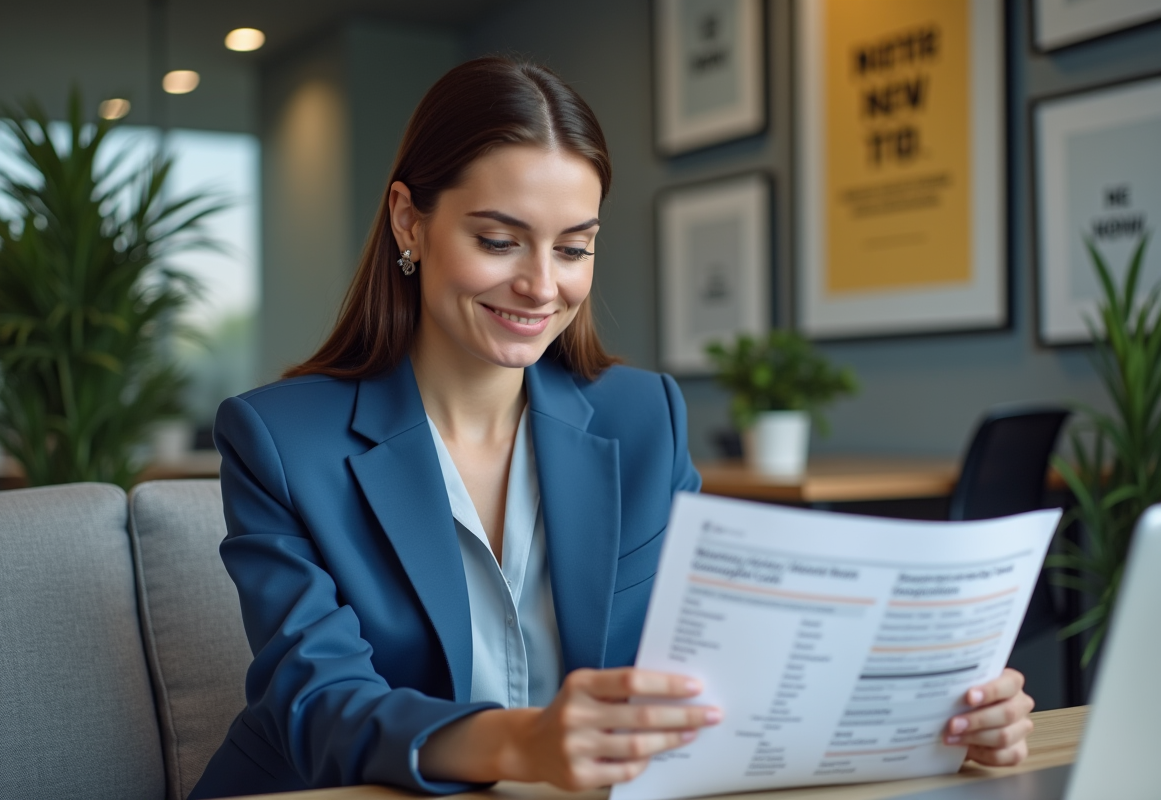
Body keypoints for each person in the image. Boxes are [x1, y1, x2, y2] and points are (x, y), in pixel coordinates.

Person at [190, 57, 1036, 799]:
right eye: (499, 239)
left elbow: (730, 660)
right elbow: (318, 703)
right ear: (410, 221)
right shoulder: (277, 440)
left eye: (573, 248)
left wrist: (931, 715)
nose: (540, 286)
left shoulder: (643, 418)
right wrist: (524, 741)